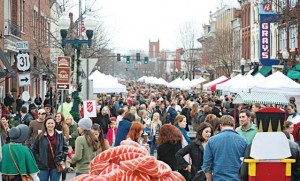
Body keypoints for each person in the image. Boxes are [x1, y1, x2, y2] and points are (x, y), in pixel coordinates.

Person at [202, 115, 248, 181]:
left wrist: (209, 179)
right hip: (237, 178)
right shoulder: (243, 141)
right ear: (234, 125)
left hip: (218, 178)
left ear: (220, 126)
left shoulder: (211, 141)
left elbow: (207, 165)